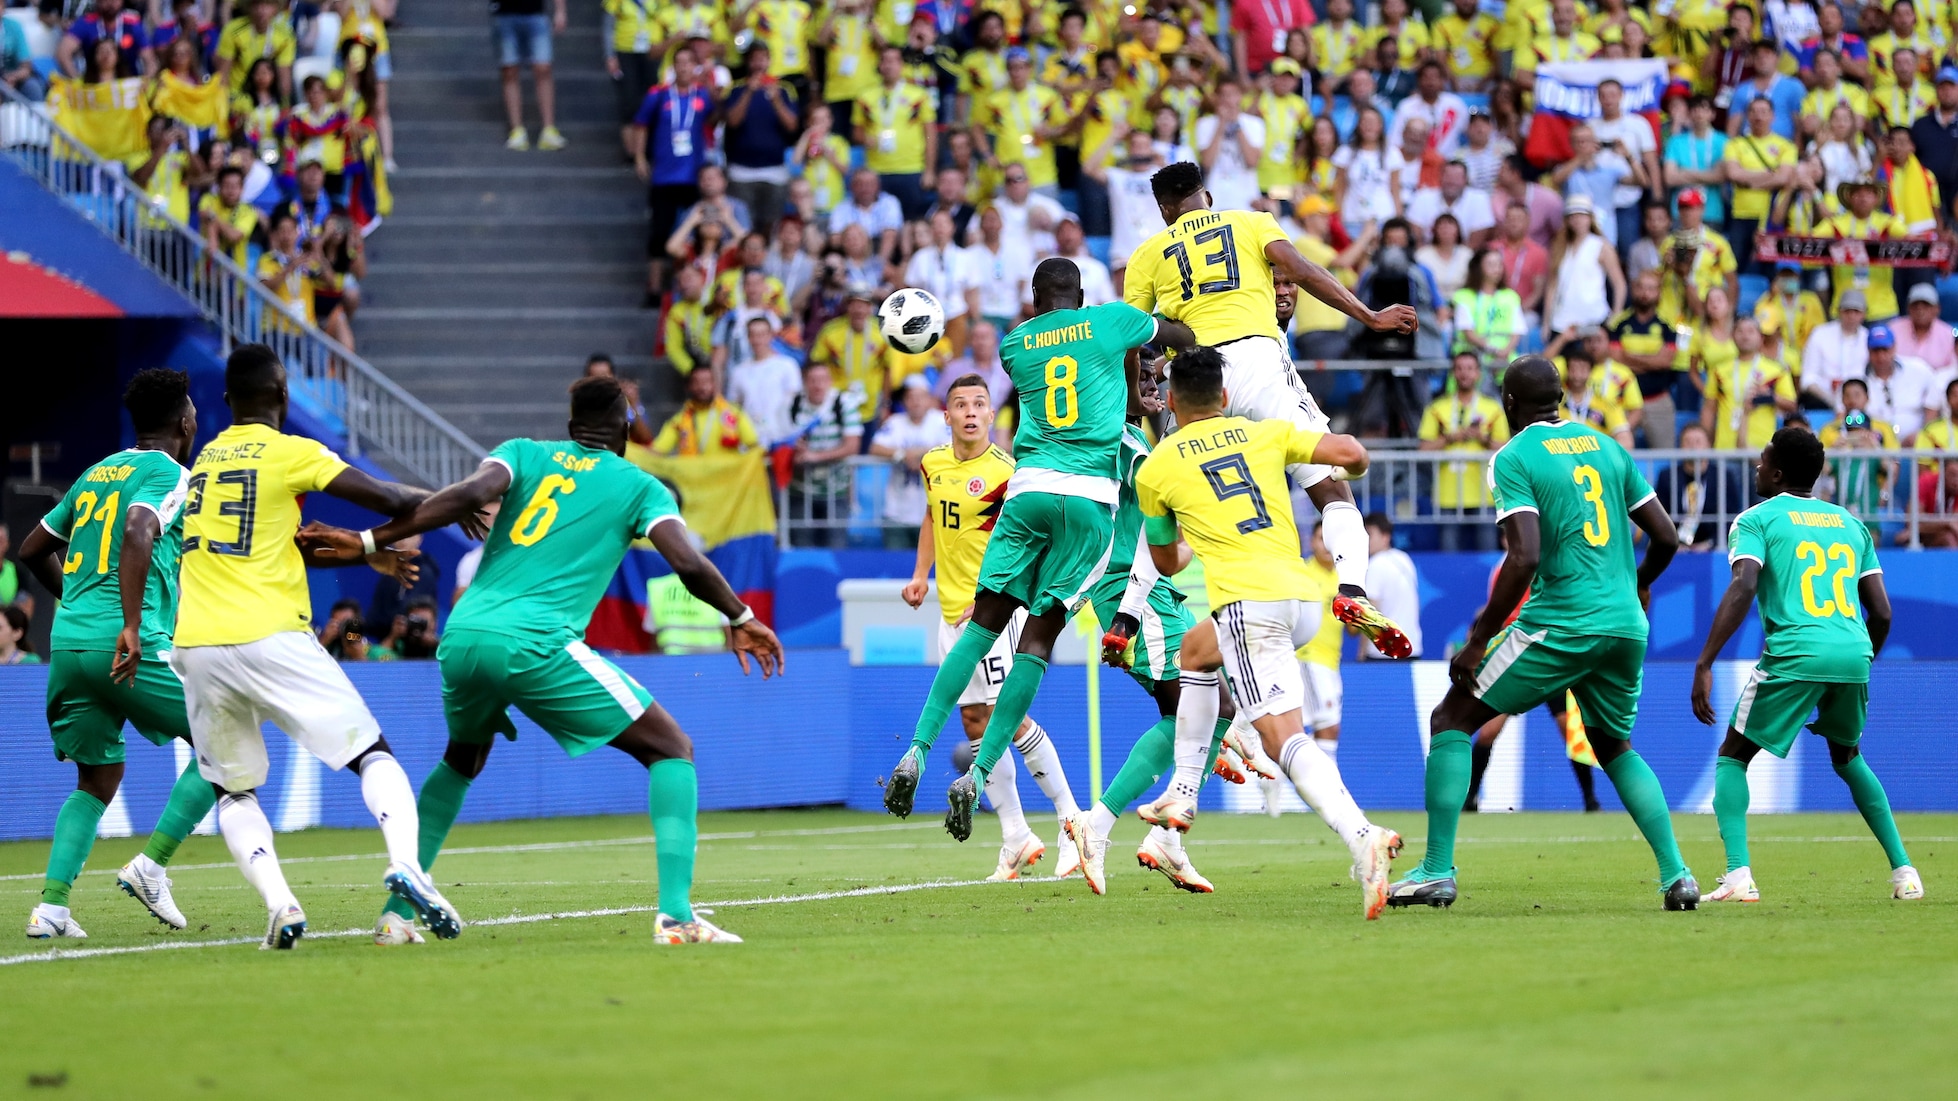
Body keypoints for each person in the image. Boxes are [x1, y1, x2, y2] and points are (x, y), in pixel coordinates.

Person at [300, 375, 783, 945]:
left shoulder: (522, 454)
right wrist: (741, 616)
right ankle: (677, 916)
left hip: (464, 636)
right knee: (671, 749)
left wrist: (369, 541)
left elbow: (463, 495)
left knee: (461, 759)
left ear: (572, 424)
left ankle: (395, 915)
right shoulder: (640, 486)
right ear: (627, 427)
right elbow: (689, 563)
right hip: (534, 641)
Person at [881, 259, 1194, 843]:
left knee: (980, 626)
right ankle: (978, 773)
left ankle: (917, 750)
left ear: (1032, 298)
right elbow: (1180, 335)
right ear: (1082, 293)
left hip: (1026, 491)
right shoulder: (1110, 321)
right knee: (1037, 642)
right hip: (1088, 502)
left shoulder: (1014, 344)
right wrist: (1150, 349)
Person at [167, 344, 455, 950]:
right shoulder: (291, 451)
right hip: (271, 633)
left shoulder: (202, 466)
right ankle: (407, 864)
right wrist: (462, 500)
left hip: (196, 644)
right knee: (372, 753)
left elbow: (275, 544)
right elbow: (391, 499)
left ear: (227, 400)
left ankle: (281, 906)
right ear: (284, 395)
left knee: (233, 792)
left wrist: (363, 553)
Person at [1388, 356, 1695, 911]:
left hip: (1562, 621)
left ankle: (1435, 870)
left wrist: (1479, 639)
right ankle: (1678, 875)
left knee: (1451, 720)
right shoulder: (1608, 447)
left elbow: (1524, 555)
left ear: (1508, 403)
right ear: (1561, 398)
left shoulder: (1514, 456)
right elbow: (1668, 537)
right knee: (1613, 745)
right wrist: (1639, 585)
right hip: (1626, 625)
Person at [1131, 345, 1403, 919]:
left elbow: (1167, 560)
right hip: (1303, 599)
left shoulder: (1156, 467)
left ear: (1171, 401)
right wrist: (1350, 470)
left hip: (1248, 605)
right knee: (1195, 653)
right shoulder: (1265, 432)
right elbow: (1352, 454)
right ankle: (1182, 794)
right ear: (1226, 396)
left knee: (1282, 741)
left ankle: (1364, 838)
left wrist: (1198, 533)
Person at [1123, 162, 1419, 657]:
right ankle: (1351, 588)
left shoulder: (1147, 254)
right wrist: (1369, 316)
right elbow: (1301, 270)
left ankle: (1127, 615)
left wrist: (1136, 397)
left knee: (1164, 498)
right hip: (1259, 361)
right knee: (1331, 488)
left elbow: (1133, 334)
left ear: (1164, 209)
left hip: (1198, 376)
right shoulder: (1252, 221)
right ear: (1207, 196)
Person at [15, 370, 218, 940]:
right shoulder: (172, 475)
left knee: (98, 776)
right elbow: (138, 529)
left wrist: (77, 605)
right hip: (127, 641)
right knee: (226, 739)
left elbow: (33, 548)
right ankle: (151, 867)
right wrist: (127, 624)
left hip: (68, 642)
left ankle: (52, 909)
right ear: (184, 423)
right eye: (193, 414)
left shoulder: (97, 472)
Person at [1691, 427, 1923, 904]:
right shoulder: (1850, 524)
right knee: (1848, 757)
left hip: (1796, 650)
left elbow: (1744, 586)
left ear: (1777, 473)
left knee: (1733, 756)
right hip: (1853, 650)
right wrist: (1859, 661)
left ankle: (1738, 875)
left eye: (1762, 460)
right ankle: (1906, 873)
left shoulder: (1755, 520)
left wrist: (1705, 661)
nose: (1757, 467)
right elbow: (1881, 612)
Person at [899, 373, 1087, 881]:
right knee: (974, 722)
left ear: (989, 414)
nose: (970, 412)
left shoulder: (1008, 472)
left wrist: (995, 597)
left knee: (1008, 718)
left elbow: (1035, 536)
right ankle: (1016, 836)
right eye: (961, 404)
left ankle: (1072, 821)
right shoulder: (933, 464)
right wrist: (920, 575)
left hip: (995, 613)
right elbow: (932, 518)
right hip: (951, 614)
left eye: (979, 404)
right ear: (946, 416)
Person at [631, 49, 715, 299]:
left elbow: (718, 117)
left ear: (695, 67)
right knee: (660, 231)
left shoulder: (702, 95)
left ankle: (695, 283)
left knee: (697, 233)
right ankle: (654, 286)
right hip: (664, 176)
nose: (684, 68)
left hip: (694, 176)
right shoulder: (658, 95)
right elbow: (640, 124)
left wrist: (711, 83)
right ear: (673, 67)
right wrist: (639, 157)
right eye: (679, 63)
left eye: (689, 63)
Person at [718, 43, 800, 234]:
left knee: (771, 225)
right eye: (754, 59)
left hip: (775, 170)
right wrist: (749, 91)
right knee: (743, 226)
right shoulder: (735, 88)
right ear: (748, 62)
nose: (759, 63)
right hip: (741, 171)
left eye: (763, 58)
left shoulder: (784, 89)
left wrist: (776, 101)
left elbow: (792, 126)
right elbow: (732, 122)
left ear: (769, 61)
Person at [785, 361, 863, 547]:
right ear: (804, 382)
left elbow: (852, 446)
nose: (818, 385)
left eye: (822, 379)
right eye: (812, 380)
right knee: (801, 547)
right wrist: (793, 448)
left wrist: (814, 457)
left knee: (836, 546)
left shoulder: (844, 403)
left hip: (836, 489)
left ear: (830, 381)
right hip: (800, 490)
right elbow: (780, 440)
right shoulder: (792, 404)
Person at [855, 44, 936, 221]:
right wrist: (866, 139)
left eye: (894, 61)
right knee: (882, 223)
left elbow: (930, 134)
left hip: (912, 168)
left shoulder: (919, 95)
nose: (889, 65)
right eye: (885, 61)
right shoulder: (865, 97)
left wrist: (929, 170)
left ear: (902, 65)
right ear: (879, 65)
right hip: (878, 170)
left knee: (912, 221)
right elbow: (856, 133)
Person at [869, 378, 951, 546]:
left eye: (921, 397)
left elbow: (955, 448)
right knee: (897, 561)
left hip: (935, 511)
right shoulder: (895, 422)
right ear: (904, 401)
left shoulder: (941, 421)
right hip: (897, 511)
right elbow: (875, 447)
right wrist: (902, 455)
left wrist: (919, 456)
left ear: (929, 399)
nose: (916, 402)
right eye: (911, 397)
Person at [1702, 316, 1798, 450]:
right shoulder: (1718, 371)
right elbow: (1709, 409)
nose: (1745, 336)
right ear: (1732, 336)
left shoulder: (1777, 371)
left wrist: (1770, 396)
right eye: (1740, 331)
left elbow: (1792, 405)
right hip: (1725, 447)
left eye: (1751, 331)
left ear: (1761, 338)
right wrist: (1706, 441)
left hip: (1762, 448)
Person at [1610, 269, 1682, 447]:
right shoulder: (1618, 323)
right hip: (1623, 403)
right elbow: (1615, 359)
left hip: (1658, 401)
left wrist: (1629, 357)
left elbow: (1665, 361)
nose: (1645, 293)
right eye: (1641, 287)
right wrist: (1652, 361)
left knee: (1666, 456)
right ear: (1633, 289)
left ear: (1659, 292)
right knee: (1617, 455)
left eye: (1651, 288)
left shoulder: (1668, 324)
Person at [1821, 177, 1909, 320]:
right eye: (1857, 192)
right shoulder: (1835, 224)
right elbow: (1808, 242)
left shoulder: (1887, 223)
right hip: (1845, 308)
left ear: (1876, 198)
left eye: (1868, 192)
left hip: (1882, 309)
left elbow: (1912, 240)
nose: (1863, 197)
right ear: (1849, 197)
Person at [1542, 195, 1626, 342]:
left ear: (1590, 218)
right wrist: (1546, 322)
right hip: (1562, 320)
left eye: (1582, 215)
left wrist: (1616, 315)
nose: (1578, 220)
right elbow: (1552, 287)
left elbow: (1619, 283)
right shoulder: (1559, 247)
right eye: (1573, 216)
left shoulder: (1601, 246)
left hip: (1593, 317)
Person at [1655, 422, 1750, 548]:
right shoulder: (1667, 477)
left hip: (1714, 548)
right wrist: (1674, 545)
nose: (1693, 447)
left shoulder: (1723, 476)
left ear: (1708, 445)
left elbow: (1731, 517)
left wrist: (1710, 544)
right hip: (1675, 548)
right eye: (1687, 442)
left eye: (1698, 442)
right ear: (1680, 446)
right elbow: (1659, 518)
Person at [491, 0, 567, 150]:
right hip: (504, 14)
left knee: (543, 67)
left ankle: (549, 129)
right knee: (509, 69)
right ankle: (516, 130)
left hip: (536, 13)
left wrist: (560, 10)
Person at [656, 364, 762, 455]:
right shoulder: (678, 421)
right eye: (696, 382)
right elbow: (657, 451)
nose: (702, 387)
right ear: (689, 387)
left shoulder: (735, 414)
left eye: (707, 382)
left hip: (728, 473)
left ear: (716, 384)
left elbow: (753, 446)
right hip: (695, 473)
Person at [1860, 325, 1939, 441]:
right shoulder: (1856, 377)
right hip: (1872, 444)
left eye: (1885, 350)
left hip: (1916, 445)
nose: (1881, 356)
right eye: (1876, 351)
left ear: (1894, 348)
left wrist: (1923, 436)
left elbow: (1933, 404)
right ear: (1868, 350)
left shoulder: (1919, 369)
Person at [1452, 247, 1526, 368]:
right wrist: (1493, 351)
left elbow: (1517, 330)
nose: (1496, 269)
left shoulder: (1510, 296)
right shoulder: (1464, 296)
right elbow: (1468, 332)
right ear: (1478, 268)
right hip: (1472, 361)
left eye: (1499, 264)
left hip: (1505, 360)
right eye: (1491, 265)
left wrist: (1505, 352)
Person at [1664, 95, 1729, 226]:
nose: (1699, 114)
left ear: (1713, 114)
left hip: (1712, 212)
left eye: (1704, 109)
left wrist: (1685, 172)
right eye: (1695, 109)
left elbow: (1720, 176)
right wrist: (1709, 175)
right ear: (1689, 114)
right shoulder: (1676, 141)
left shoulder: (1724, 141)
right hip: (1681, 211)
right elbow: (1669, 178)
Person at [1800, 288, 1871, 407]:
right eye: (1847, 311)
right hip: (1823, 401)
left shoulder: (1868, 338)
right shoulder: (1820, 334)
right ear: (1839, 312)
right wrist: (1833, 402)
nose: (1851, 316)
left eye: (1856, 311)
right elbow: (1808, 379)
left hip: (1860, 404)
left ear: (1864, 314)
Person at [1405, 160, 1496, 246]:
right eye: (1448, 176)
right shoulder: (1423, 196)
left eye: (1457, 177)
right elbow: (1416, 236)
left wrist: (1458, 255)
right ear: (1440, 177)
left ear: (1466, 180)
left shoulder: (1479, 198)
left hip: (1466, 254)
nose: (1452, 181)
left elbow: (1475, 242)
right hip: (1426, 252)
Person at [1887, 282, 1957, 377]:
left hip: (1937, 381)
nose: (1920, 310)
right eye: (1915, 305)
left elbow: (1952, 369)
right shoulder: (1893, 328)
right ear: (1908, 308)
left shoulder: (1948, 334)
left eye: (1926, 305)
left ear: (1937, 309)